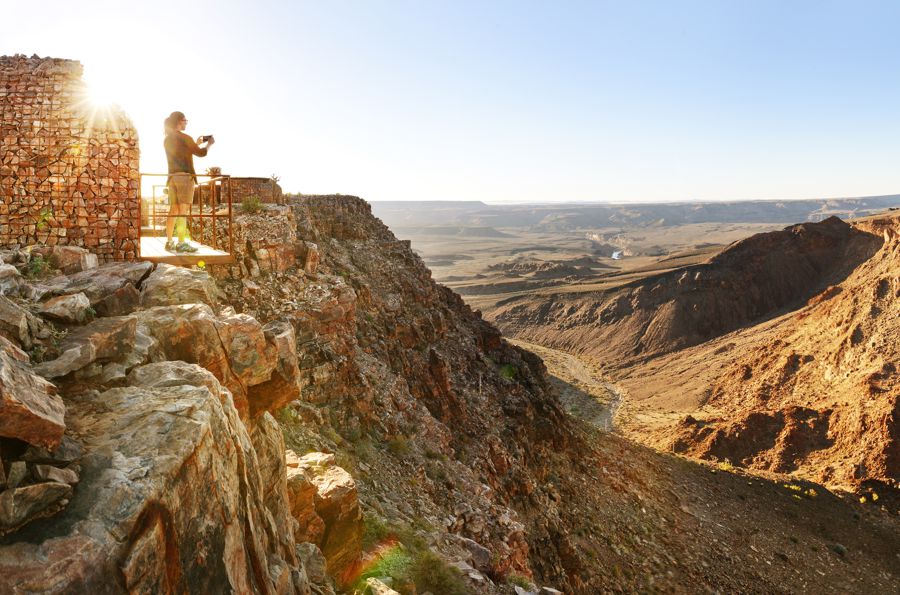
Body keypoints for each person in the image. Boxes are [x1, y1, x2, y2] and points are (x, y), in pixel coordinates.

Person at [162, 111, 214, 252]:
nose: (186, 123)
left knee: (173, 210)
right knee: (182, 211)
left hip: (172, 177)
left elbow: (181, 153)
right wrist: (209, 144)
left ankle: (169, 242)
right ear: (179, 121)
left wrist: (195, 143)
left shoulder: (167, 139)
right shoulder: (185, 137)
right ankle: (181, 243)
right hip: (185, 177)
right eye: (185, 120)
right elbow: (201, 153)